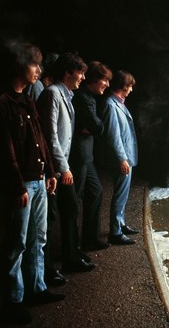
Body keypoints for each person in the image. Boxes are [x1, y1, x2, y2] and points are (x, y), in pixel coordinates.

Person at [0, 42, 63, 325]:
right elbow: (3, 152)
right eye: (35, 65)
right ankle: (13, 300)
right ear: (19, 66)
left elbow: (40, 141)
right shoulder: (0, 103)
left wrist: (51, 173)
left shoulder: (28, 100)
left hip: (40, 181)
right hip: (22, 186)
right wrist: (17, 186)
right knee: (17, 243)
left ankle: (37, 288)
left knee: (38, 239)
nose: (39, 71)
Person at [37, 52, 96, 279]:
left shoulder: (66, 94)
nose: (82, 77)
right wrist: (64, 167)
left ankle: (72, 256)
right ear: (68, 72)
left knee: (70, 208)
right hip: (54, 168)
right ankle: (49, 269)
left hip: (61, 166)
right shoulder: (52, 94)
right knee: (50, 218)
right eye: (80, 72)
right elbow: (50, 135)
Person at [70, 61, 112, 251]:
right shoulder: (83, 98)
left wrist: (93, 127)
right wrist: (94, 127)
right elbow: (98, 127)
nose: (107, 84)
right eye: (105, 80)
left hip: (87, 156)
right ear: (94, 80)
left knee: (95, 192)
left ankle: (89, 238)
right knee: (73, 202)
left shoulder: (89, 98)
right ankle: (73, 249)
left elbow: (95, 127)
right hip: (78, 156)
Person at [102, 70, 139, 245]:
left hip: (127, 156)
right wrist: (122, 159)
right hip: (122, 158)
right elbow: (113, 136)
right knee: (119, 194)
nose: (131, 90)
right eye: (130, 86)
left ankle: (121, 223)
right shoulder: (111, 104)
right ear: (123, 86)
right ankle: (115, 232)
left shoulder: (119, 103)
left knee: (123, 194)